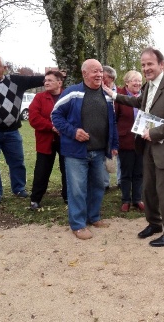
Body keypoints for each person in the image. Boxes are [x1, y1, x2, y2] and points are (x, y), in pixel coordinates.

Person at [104, 47, 164, 247]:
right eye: (143, 65)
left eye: (150, 64)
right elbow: (137, 101)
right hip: (148, 147)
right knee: (148, 190)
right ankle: (155, 224)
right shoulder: (149, 87)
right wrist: (114, 95)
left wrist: (155, 133)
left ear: (161, 65)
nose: (146, 68)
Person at [52, 59, 119, 240]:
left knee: (97, 186)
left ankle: (93, 217)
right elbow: (55, 116)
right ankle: (78, 224)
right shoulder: (72, 93)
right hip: (76, 152)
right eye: (94, 71)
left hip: (98, 151)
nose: (99, 75)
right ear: (84, 74)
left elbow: (112, 122)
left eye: (100, 71)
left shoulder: (107, 94)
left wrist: (113, 145)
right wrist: (73, 132)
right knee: (77, 190)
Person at [0, 55, 44, 204]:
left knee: (17, 161)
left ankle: (19, 188)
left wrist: (57, 75)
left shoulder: (17, 81)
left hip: (12, 131)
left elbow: (37, 79)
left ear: (5, 68)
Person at [28, 70, 67, 210]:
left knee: (67, 169)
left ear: (59, 82)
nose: (46, 83)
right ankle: (35, 199)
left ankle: (68, 197)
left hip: (65, 140)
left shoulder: (67, 96)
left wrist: (64, 127)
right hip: (46, 140)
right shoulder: (39, 97)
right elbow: (33, 118)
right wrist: (51, 127)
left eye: (50, 80)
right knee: (42, 170)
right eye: (45, 80)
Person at [115, 70, 144, 212]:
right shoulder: (120, 97)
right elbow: (113, 120)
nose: (138, 83)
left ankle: (137, 199)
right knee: (126, 173)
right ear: (127, 82)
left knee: (139, 172)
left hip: (142, 141)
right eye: (134, 80)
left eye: (139, 80)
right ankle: (126, 199)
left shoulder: (145, 97)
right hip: (125, 140)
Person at [102, 65, 121, 190]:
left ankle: (120, 181)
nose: (101, 79)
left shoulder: (120, 92)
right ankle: (104, 184)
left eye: (104, 77)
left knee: (119, 156)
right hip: (104, 128)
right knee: (104, 156)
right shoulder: (98, 92)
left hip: (119, 127)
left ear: (111, 78)